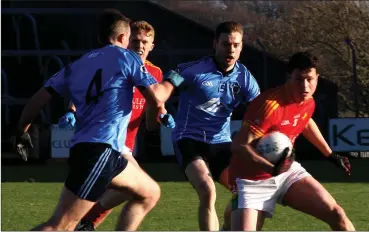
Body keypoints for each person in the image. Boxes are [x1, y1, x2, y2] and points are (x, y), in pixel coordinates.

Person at [14, 9, 182, 231]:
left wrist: (22, 132)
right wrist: (173, 80)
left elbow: (37, 100)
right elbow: (158, 96)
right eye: (132, 38)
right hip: (100, 151)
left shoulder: (77, 65)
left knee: (149, 193)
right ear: (124, 38)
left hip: (94, 150)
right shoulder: (128, 59)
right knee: (60, 226)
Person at [229, 51, 355, 231]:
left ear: (317, 78)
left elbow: (305, 122)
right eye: (299, 79)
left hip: (287, 172)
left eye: (310, 79)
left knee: (337, 214)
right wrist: (271, 168)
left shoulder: (308, 100)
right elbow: (239, 145)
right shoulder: (269, 106)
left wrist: (330, 155)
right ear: (289, 77)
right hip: (251, 181)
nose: (305, 85)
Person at [59, 20, 166, 231]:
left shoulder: (156, 73)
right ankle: (87, 221)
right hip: (108, 142)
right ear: (126, 40)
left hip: (125, 143)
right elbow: (91, 88)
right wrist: (72, 110)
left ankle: (85, 222)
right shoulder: (116, 63)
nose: (140, 45)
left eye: (145, 42)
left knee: (135, 190)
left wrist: (162, 114)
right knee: (144, 191)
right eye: (135, 40)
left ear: (153, 45)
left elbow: (155, 104)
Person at [171, 21, 260, 231]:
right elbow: (166, 85)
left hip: (221, 143)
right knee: (208, 190)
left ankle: (227, 228)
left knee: (246, 192)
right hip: (189, 140)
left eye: (235, 45)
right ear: (215, 44)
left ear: (241, 47)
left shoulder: (245, 77)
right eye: (225, 44)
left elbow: (261, 110)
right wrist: (157, 105)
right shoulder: (193, 70)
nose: (231, 49)